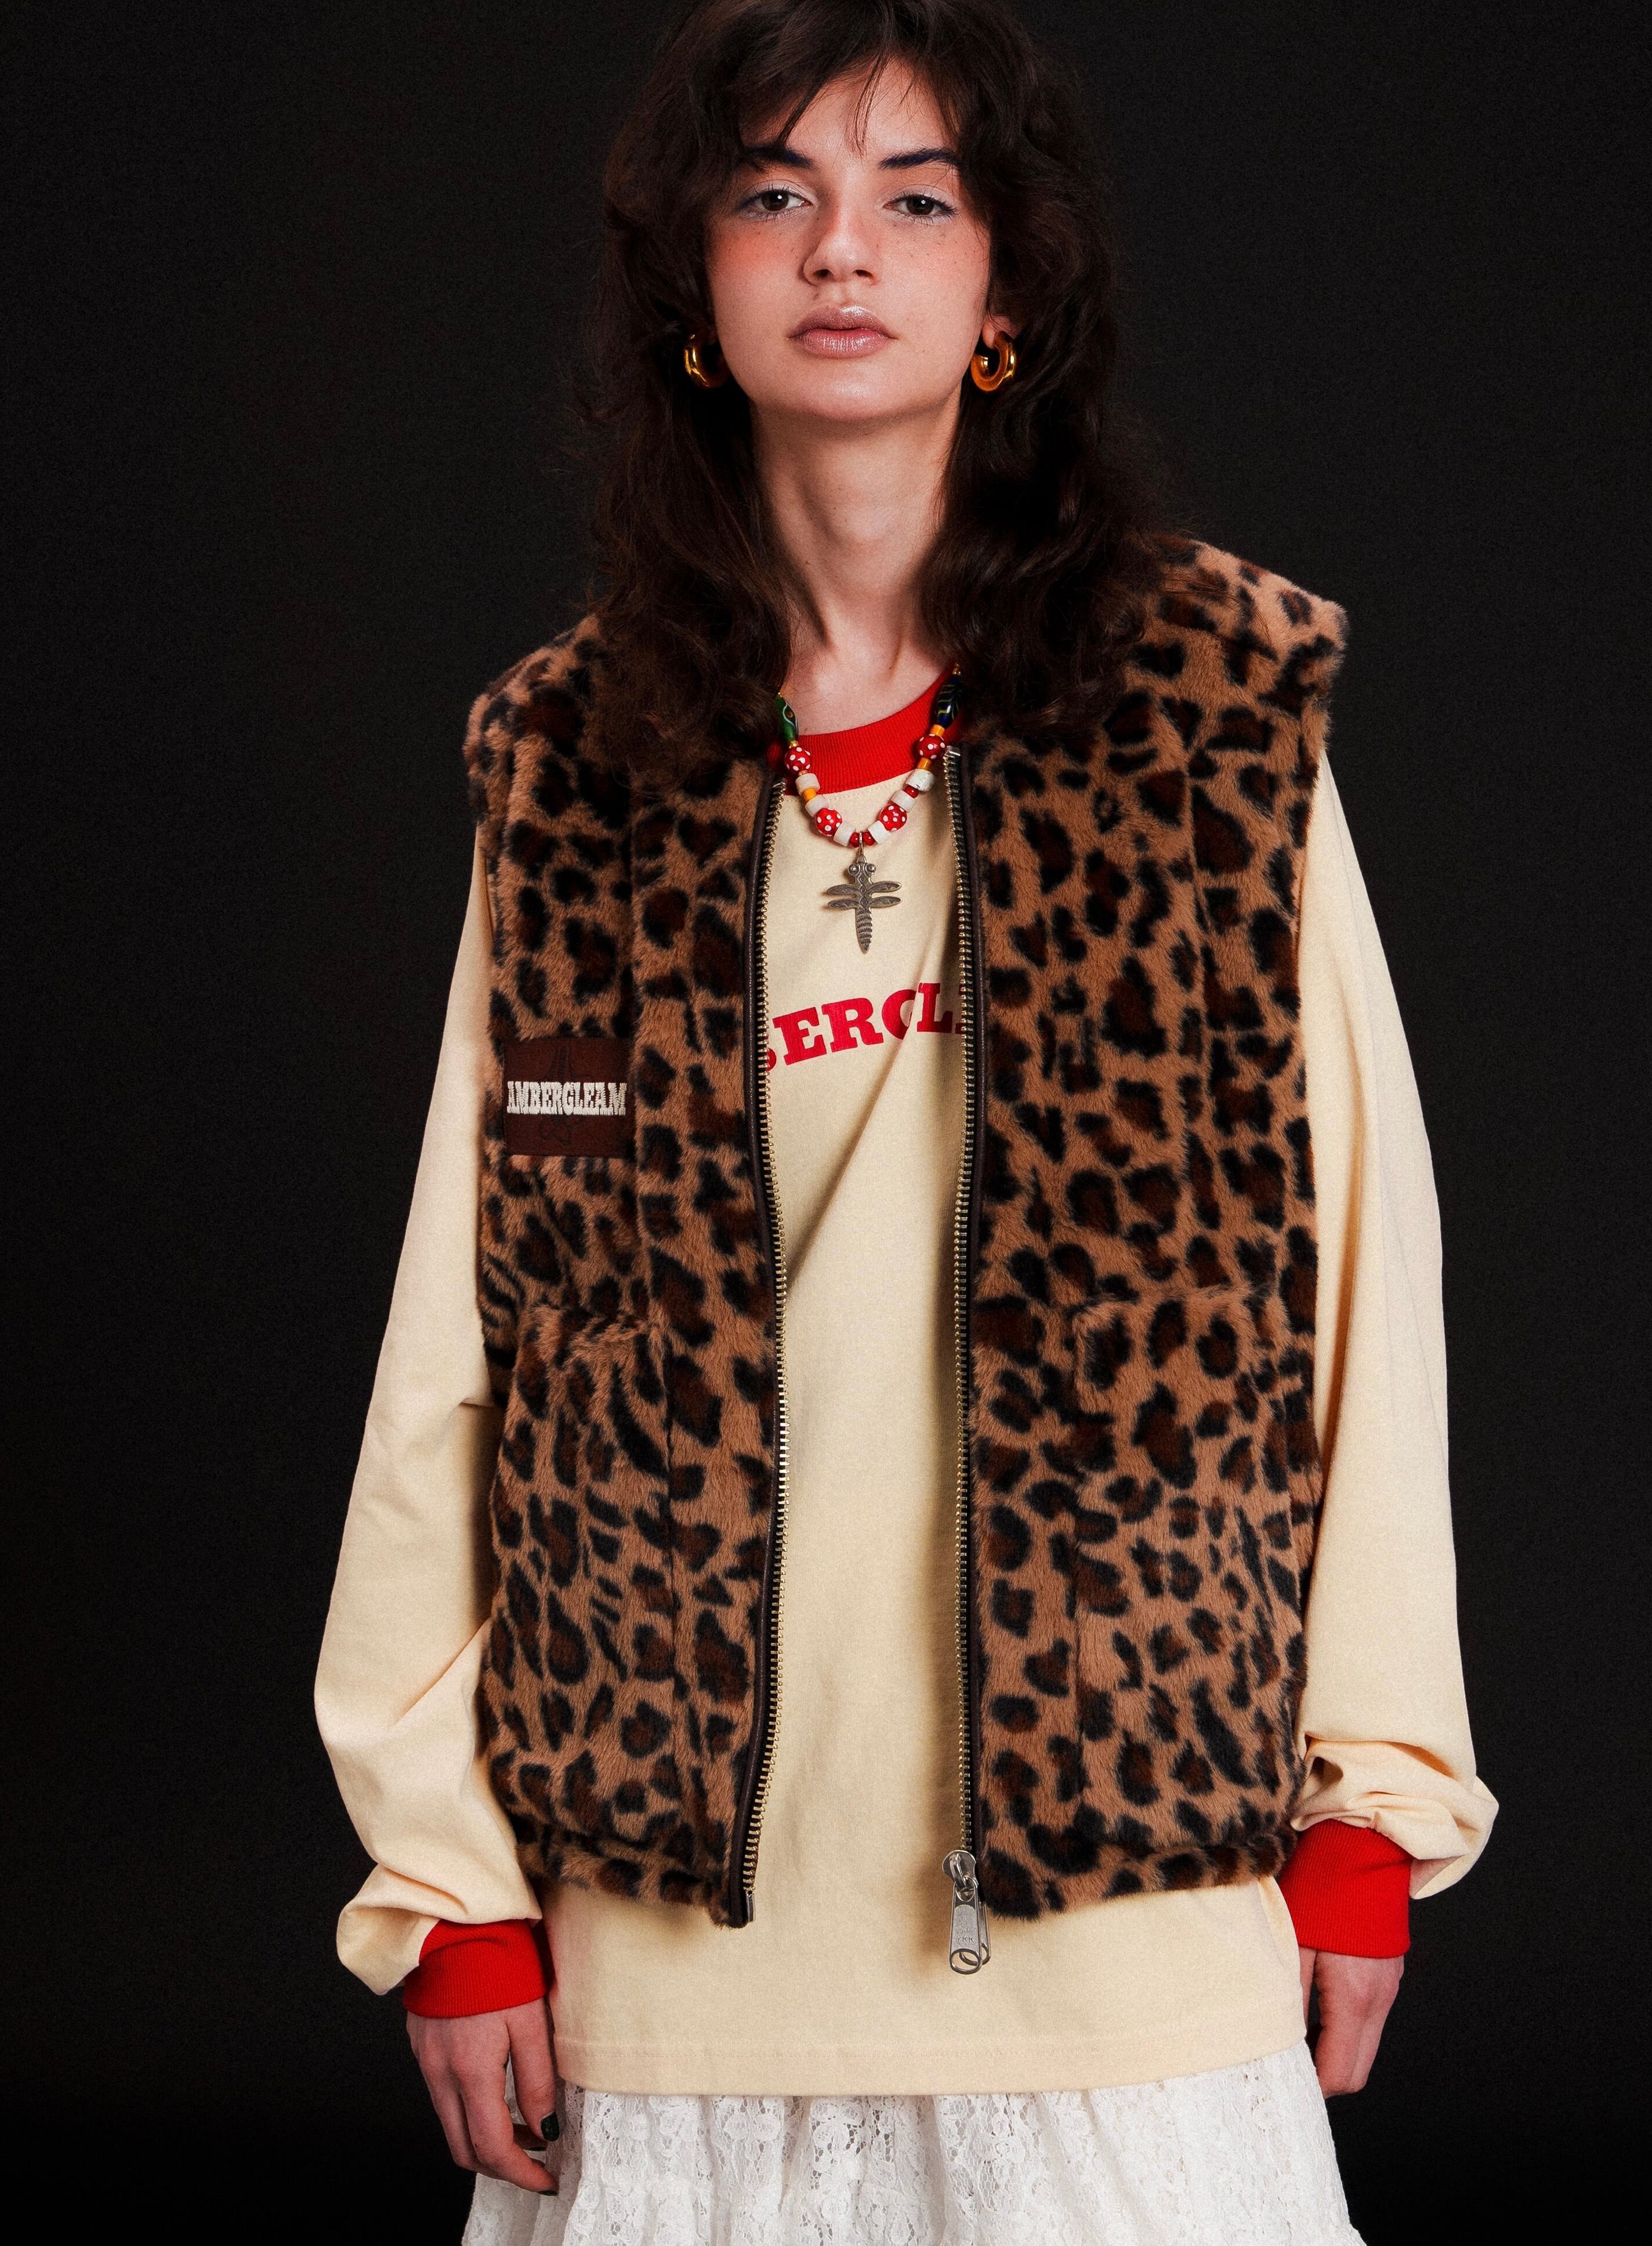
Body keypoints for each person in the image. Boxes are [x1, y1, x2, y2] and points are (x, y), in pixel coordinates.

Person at [314, 3, 1497, 2238]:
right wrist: (447, 1886)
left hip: (1125, 1894)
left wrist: (1370, 1799)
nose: (840, 247)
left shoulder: (1206, 713)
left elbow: (1363, 1267)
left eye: (914, 197)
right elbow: (464, 1334)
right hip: (675, 1916)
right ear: (695, 291)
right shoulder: (571, 771)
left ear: (1003, 289)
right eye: (773, 192)